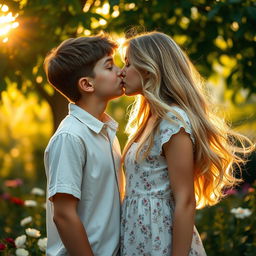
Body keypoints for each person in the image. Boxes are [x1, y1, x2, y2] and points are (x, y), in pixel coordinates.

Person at [120, 31, 254, 256]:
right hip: (138, 236)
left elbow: (185, 200)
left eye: (128, 64)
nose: (121, 72)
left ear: (150, 67)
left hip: (160, 237)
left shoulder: (173, 123)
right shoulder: (149, 120)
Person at [43, 34, 125, 256]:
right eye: (109, 67)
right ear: (87, 84)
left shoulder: (107, 132)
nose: (121, 71)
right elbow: (63, 215)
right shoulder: (70, 137)